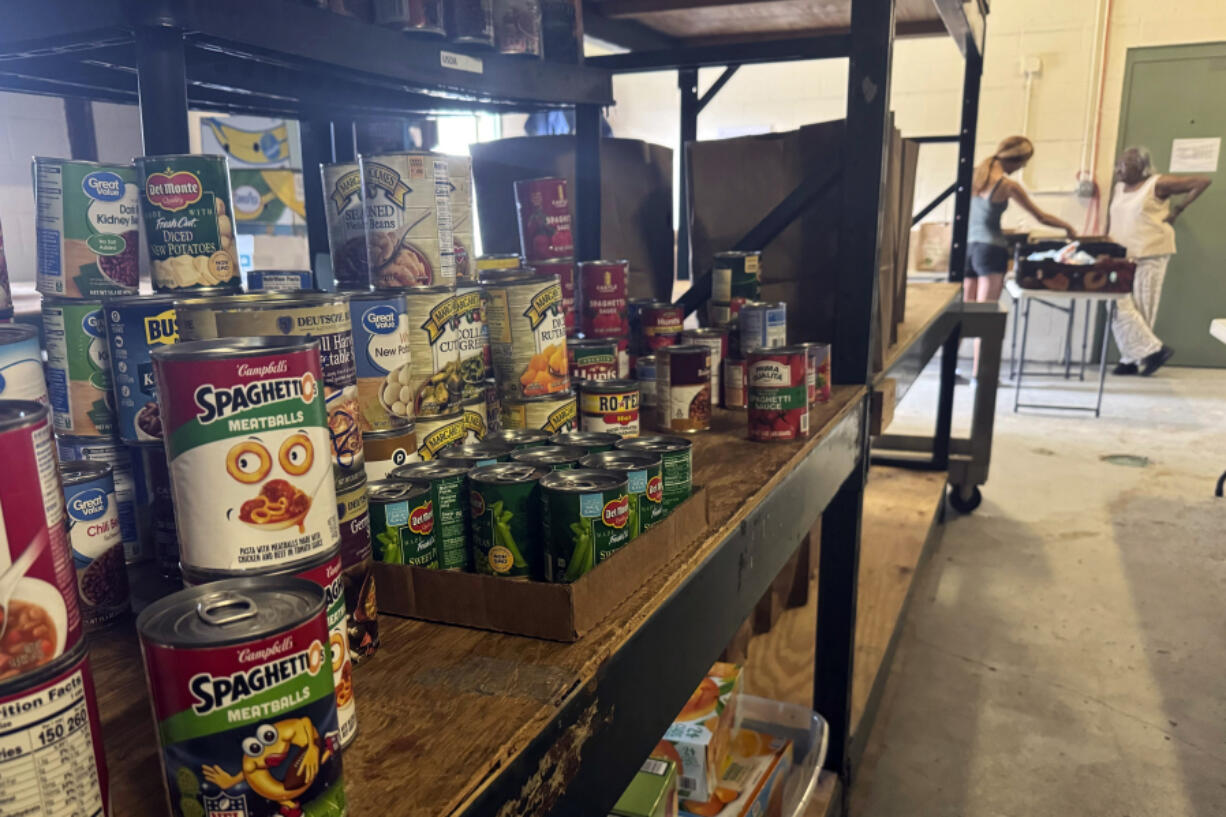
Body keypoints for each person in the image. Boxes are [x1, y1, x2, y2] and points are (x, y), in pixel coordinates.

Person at [966, 135, 1078, 376]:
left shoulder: (973, 175)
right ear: (1016, 161)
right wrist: (1068, 228)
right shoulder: (1006, 185)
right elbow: (1041, 217)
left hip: (967, 249)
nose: (1022, 169)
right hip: (990, 250)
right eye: (1023, 164)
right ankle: (979, 374)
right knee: (987, 315)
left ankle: (953, 370)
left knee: (965, 314)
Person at [1107, 146, 1211, 376]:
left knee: (1143, 307)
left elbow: (1202, 181)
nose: (1118, 168)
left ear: (1140, 166)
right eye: (1119, 164)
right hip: (1122, 253)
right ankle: (1154, 351)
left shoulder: (1158, 183)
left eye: (1124, 164)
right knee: (1117, 304)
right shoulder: (1119, 188)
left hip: (1150, 252)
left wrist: (1178, 210)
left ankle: (1131, 361)